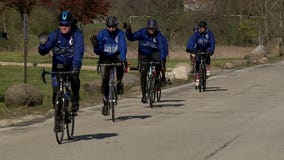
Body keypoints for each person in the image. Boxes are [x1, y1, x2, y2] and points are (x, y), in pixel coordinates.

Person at [38, 11, 85, 130]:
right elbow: (43, 51)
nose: (64, 27)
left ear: (71, 24)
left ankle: (75, 100)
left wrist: (75, 66)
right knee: (55, 91)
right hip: (57, 65)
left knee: (74, 79)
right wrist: (42, 45)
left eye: (67, 25)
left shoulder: (77, 35)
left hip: (71, 64)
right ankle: (58, 119)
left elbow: (78, 52)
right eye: (61, 24)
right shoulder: (55, 34)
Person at [124, 19, 168, 103]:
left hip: (155, 53)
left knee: (160, 62)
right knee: (143, 74)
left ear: (156, 28)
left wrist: (162, 60)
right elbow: (131, 38)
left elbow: (162, 48)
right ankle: (144, 95)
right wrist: (128, 31)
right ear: (147, 27)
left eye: (153, 29)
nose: (151, 30)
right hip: (143, 54)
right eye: (150, 28)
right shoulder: (142, 32)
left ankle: (159, 78)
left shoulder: (159, 36)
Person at [90, 16, 127, 116]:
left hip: (116, 56)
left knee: (120, 68)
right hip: (105, 57)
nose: (111, 29)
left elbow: (123, 47)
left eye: (113, 27)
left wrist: (123, 60)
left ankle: (119, 84)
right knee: (105, 80)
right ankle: (105, 104)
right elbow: (98, 52)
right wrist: (96, 46)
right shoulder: (102, 34)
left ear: (116, 26)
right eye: (109, 27)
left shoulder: (120, 34)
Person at [186, 21, 215, 86]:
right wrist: (189, 48)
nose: (202, 29)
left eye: (203, 28)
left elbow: (212, 41)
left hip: (206, 48)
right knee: (198, 62)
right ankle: (197, 79)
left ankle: (207, 69)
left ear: (205, 28)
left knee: (207, 55)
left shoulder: (209, 33)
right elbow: (191, 41)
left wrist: (211, 50)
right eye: (201, 28)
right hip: (199, 49)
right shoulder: (196, 34)